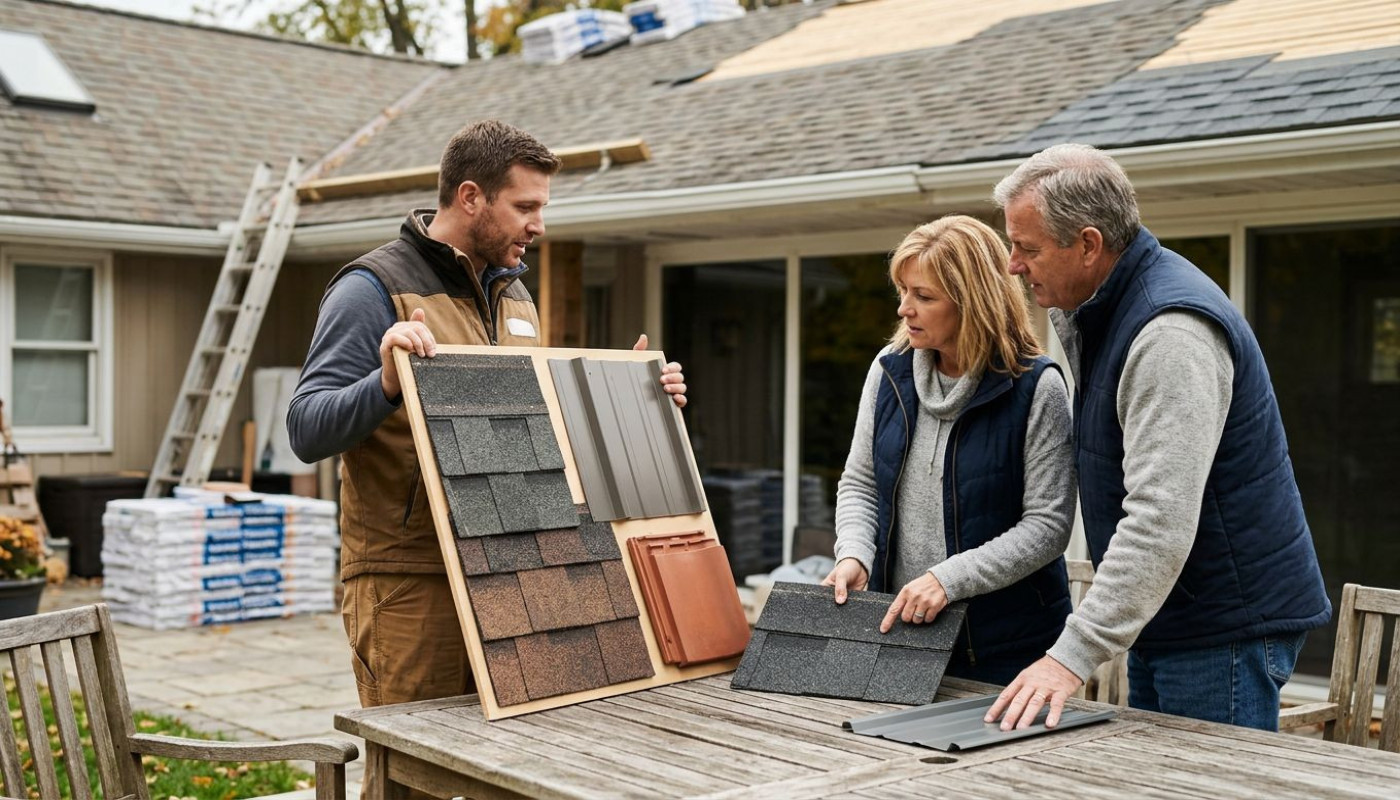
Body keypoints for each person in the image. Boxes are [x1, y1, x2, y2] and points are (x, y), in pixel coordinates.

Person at [288, 120, 687, 713]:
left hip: (511, 575)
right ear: (471, 196)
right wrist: (386, 383)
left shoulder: (516, 295)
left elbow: (528, 429)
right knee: (412, 771)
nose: (539, 225)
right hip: (412, 582)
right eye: (525, 205)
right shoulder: (373, 288)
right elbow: (305, 428)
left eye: (542, 207)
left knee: (503, 761)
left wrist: (623, 398)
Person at [985, 143, 1331, 732]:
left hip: (1222, 629)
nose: (1014, 265)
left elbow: (1158, 519)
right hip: (1174, 616)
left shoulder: (1169, 334)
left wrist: (1069, 657)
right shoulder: (1105, 308)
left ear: (1089, 245)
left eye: (1028, 248)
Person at [822, 215, 1076, 686]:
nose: (903, 310)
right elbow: (859, 482)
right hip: (898, 637)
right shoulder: (887, 373)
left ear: (971, 302)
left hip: (1006, 650)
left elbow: (1048, 526)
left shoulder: (1036, 388)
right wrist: (854, 555)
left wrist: (948, 580)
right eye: (902, 292)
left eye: (923, 296)